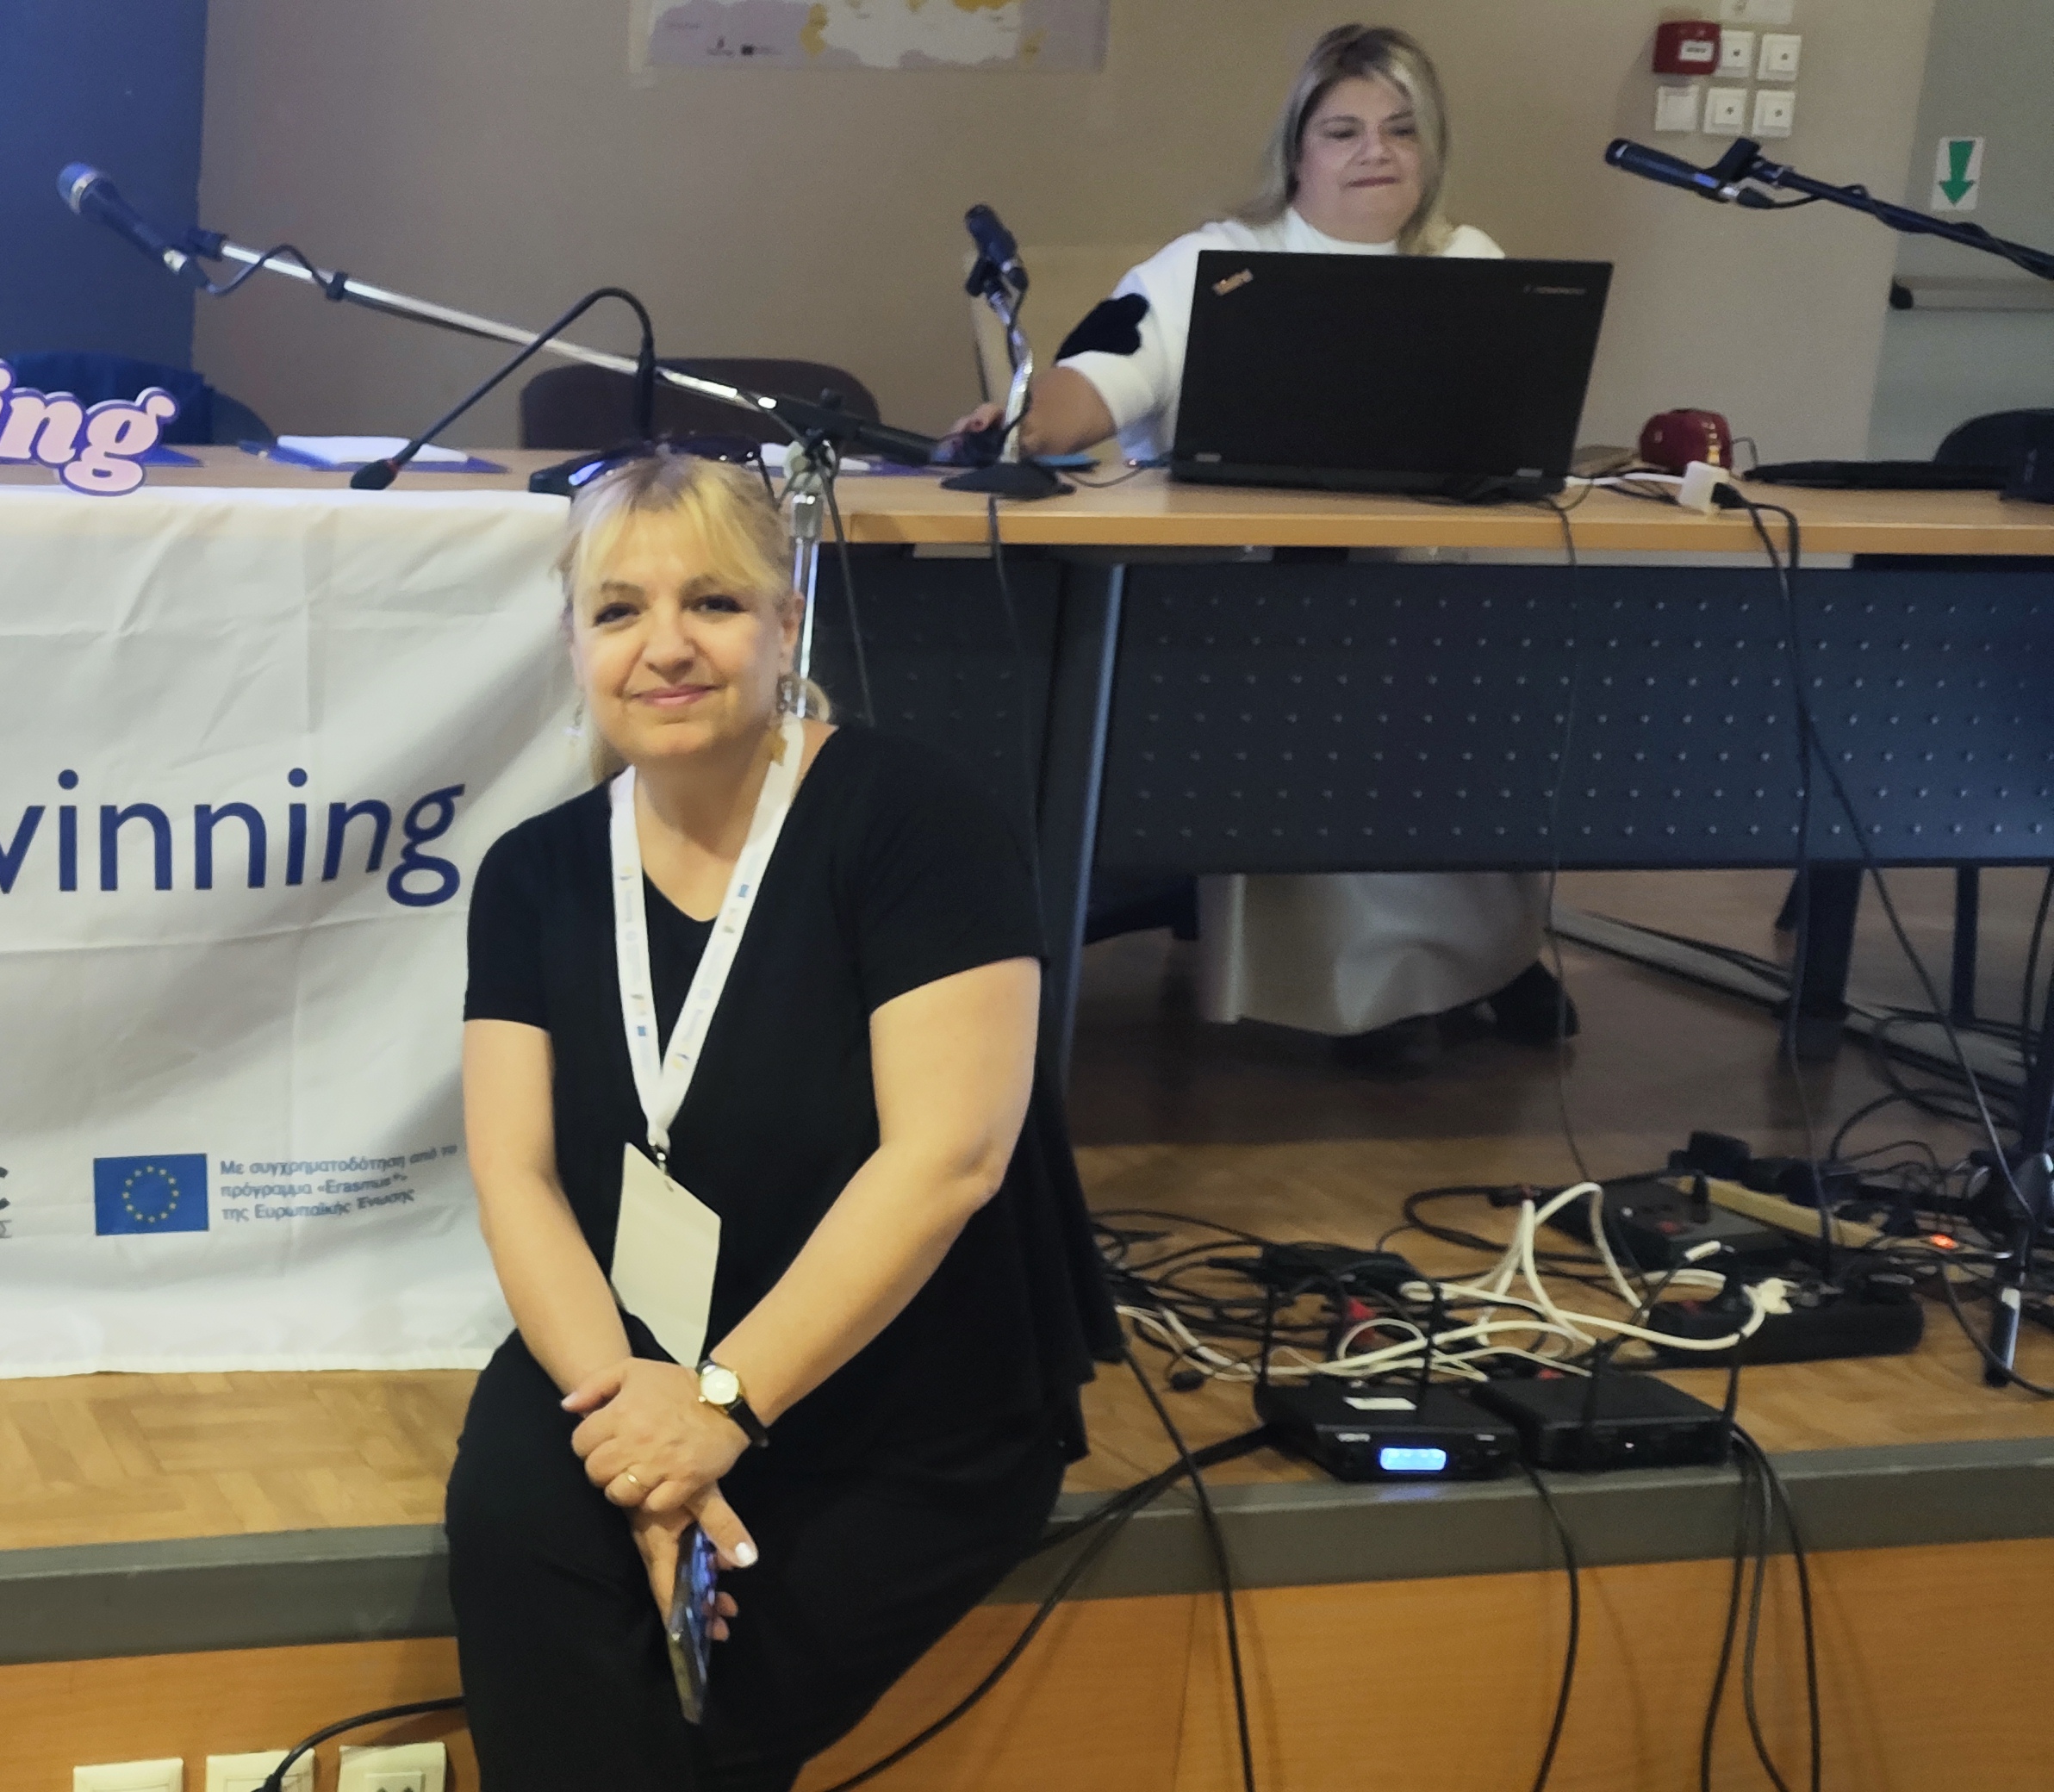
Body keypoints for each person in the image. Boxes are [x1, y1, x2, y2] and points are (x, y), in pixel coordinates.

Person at [443, 451, 1108, 1789]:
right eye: (619, 610)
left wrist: (721, 1412)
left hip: (896, 1381)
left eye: (715, 603)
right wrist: (637, 1429)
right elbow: (516, 1174)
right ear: (573, 642)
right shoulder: (534, 872)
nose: (665, 647)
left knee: (700, 1729)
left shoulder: (919, 821)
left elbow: (952, 1160)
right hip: (625, 1357)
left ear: (787, 622)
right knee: (528, 1587)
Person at [945, 22, 1570, 1072]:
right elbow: (1101, 373)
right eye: (1343, 131)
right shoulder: (1215, 262)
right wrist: (1024, 421)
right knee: (1338, 679)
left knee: (1480, 674)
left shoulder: (1471, 265)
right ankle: (1370, 986)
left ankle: (1468, 961)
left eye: (1401, 130)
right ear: (1297, 152)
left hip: (1418, 607)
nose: (1375, 153)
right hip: (1231, 615)